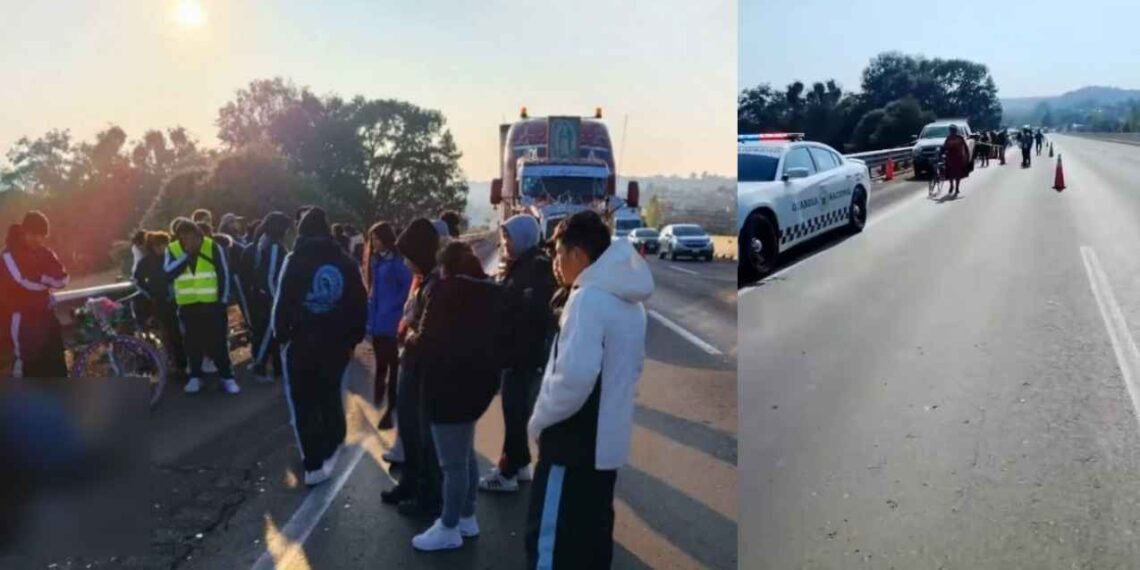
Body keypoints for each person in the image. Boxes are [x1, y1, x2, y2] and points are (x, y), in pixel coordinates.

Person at [524, 210, 653, 569]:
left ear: (578, 254)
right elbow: (634, 367)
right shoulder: (630, 302)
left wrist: (538, 422)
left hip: (570, 444)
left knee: (549, 543)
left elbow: (574, 379)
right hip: (605, 447)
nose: (555, 263)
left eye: (558, 254)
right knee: (591, 542)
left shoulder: (587, 300)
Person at [407, 241, 503, 551]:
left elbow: (427, 342)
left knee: (453, 464)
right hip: (477, 386)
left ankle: (448, 526)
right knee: (464, 454)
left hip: (446, 387)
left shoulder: (445, 293)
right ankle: (466, 515)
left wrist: (409, 338)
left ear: (446, 268)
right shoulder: (490, 292)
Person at [272, 207, 367, 486]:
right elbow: (359, 303)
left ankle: (313, 465)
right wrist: (353, 339)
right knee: (329, 394)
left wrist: (281, 336)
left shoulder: (294, 260)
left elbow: (283, 301)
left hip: (301, 343)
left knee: (303, 404)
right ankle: (335, 439)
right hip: (336, 345)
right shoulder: (346, 262)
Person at [480, 214, 555, 493]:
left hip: (523, 356)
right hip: (518, 354)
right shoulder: (523, 264)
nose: (505, 243)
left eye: (509, 238)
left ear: (524, 237)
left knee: (515, 413)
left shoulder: (536, 269)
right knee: (516, 413)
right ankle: (520, 463)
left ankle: (507, 472)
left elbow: (529, 315)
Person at [380, 218, 443, 516]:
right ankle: (409, 485)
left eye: (407, 256)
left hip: (425, 370)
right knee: (409, 429)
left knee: (423, 437)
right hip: (411, 364)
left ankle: (427, 497)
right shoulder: (423, 280)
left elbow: (429, 333)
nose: (404, 262)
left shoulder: (437, 283)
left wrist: (407, 332)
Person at [164, 218, 239, 394]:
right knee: (192, 345)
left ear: (199, 234)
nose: (189, 241)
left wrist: (222, 301)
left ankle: (227, 377)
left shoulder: (213, 247)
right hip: (188, 306)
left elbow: (224, 274)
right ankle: (195, 378)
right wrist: (186, 256)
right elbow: (168, 273)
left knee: (219, 343)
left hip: (213, 305)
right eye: (184, 238)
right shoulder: (173, 250)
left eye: (193, 236)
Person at [0, 212, 70, 377]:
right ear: (24, 231)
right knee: (26, 364)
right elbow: (22, 280)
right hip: (22, 317)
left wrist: (43, 279)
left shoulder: (45, 252)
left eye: (42, 235)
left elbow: (63, 279)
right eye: (34, 234)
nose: (38, 239)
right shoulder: (8, 254)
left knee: (57, 363)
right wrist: (47, 281)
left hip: (46, 316)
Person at [364, 222, 412, 430]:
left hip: (392, 323)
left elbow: (408, 287)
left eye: (377, 238)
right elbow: (373, 292)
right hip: (377, 324)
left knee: (393, 367)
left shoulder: (397, 262)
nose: (373, 243)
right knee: (381, 366)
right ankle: (378, 405)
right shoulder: (375, 261)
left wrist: (394, 308)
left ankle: (390, 411)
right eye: (371, 239)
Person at [133, 231, 187, 378]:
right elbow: (137, 280)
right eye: (160, 245)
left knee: (184, 333)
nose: (163, 248)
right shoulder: (146, 262)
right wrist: (151, 294)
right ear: (153, 246)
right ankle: (179, 365)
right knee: (171, 335)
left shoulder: (172, 258)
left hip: (180, 300)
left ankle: (188, 363)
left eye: (165, 244)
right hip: (162, 303)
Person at [246, 212, 292, 382]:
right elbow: (271, 275)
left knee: (262, 332)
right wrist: (276, 297)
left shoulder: (263, 240)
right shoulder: (273, 245)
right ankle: (260, 367)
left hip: (262, 295)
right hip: (269, 296)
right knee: (268, 333)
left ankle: (261, 363)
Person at [941, 125, 970, 198]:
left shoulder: (960, 138)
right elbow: (944, 147)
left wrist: (967, 156)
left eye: (953, 130)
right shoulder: (948, 138)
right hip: (951, 158)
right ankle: (952, 185)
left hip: (958, 158)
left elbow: (965, 147)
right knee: (951, 173)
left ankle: (956, 187)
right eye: (951, 130)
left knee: (957, 174)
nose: (952, 132)